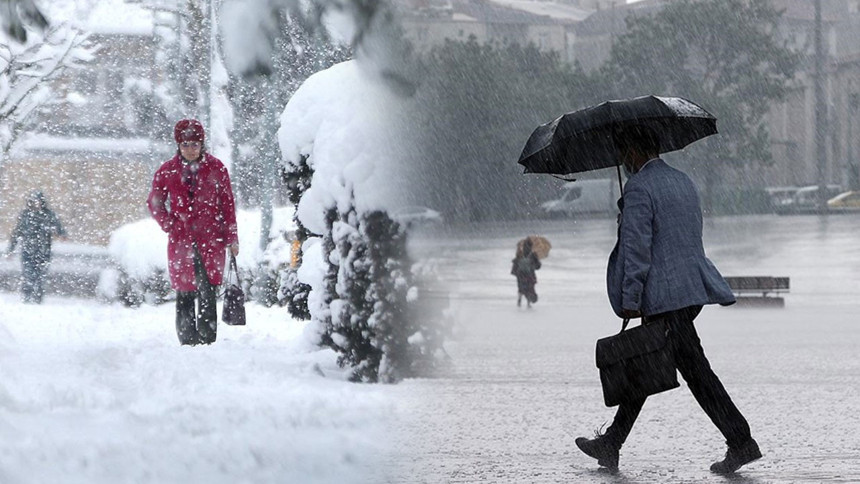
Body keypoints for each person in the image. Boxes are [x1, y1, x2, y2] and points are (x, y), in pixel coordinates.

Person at [575, 126, 760, 474]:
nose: (622, 160)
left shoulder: (640, 188)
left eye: (623, 152)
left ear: (634, 150)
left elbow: (637, 250)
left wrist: (631, 298)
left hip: (663, 297)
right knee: (646, 363)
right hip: (689, 290)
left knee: (693, 372)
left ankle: (741, 441)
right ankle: (611, 443)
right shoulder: (683, 181)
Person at [147, 119, 239, 346]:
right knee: (185, 292)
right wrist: (170, 224)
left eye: (195, 144)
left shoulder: (216, 169)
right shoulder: (167, 171)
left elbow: (227, 205)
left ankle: (207, 339)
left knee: (208, 291)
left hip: (212, 239)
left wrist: (231, 237)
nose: (191, 149)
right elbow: (155, 202)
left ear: (202, 144)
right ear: (178, 145)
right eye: (186, 144)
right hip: (181, 241)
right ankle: (187, 341)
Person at [5, 190, 66, 303]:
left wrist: (61, 234)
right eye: (34, 201)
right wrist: (11, 250)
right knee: (28, 275)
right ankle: (27, 297)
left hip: (44, 251)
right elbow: (17, 233)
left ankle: (38, 298)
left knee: (40, 276)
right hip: (27, 251)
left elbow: (58, 228)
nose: (36, 203)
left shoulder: (48, 214)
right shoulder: (25, 215)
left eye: (38, 201)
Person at [511, 237, 541, 308]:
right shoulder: (533, 255)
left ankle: (519, 300)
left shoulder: (519, 254)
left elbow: (515, 264)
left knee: (521, 288)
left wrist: (516, 272)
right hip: (530, 274)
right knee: (530, 288)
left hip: (521, 275)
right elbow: (538, 266)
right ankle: (528, 303)